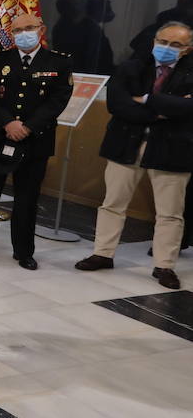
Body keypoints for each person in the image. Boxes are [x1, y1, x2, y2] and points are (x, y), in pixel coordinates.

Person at [76, 20, 193, 289]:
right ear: (154, 42)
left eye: (175, 45)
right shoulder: (131, 67)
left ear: (187, 49)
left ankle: (164, 266)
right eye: (163, 42)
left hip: (172, 149)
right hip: (126, 144)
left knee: (170, 212)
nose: (167, 48)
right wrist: (166, 110)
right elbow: (119, 105)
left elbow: (189, 111)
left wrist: (147, 99)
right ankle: (102, 254)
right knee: (113, 202)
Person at [0, 14, 73, 270]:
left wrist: (27, 126)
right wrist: (8, 123)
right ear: (11, 34)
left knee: (27, 198)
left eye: (29, 28)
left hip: (35, 140)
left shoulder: (58, 62)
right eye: (17, 30)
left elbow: (58, 99)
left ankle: (24, 251)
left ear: (41, 29)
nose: (24, 33)